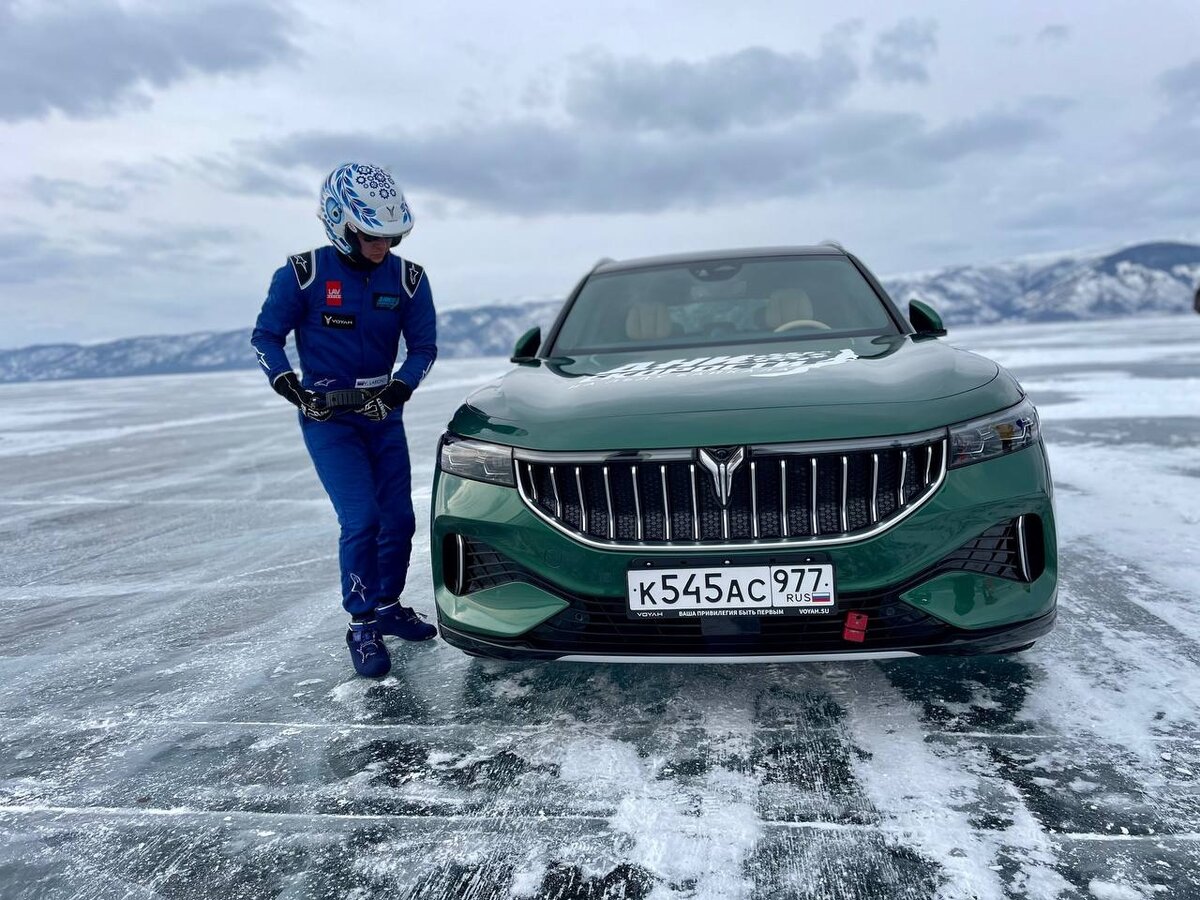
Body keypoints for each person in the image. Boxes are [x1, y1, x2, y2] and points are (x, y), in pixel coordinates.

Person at [251, 162, 438, 678]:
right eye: (372, 236)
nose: (384, 246)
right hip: (328, 420)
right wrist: (289, 386)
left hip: (383, 414)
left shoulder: (408, 278)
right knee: (362, 520)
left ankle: (387, 605)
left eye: (392, 236)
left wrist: (399, 388)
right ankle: (361, 624)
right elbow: (266, 336)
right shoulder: (302, 274)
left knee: (399, 520)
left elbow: (423, 347)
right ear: (340, 224)